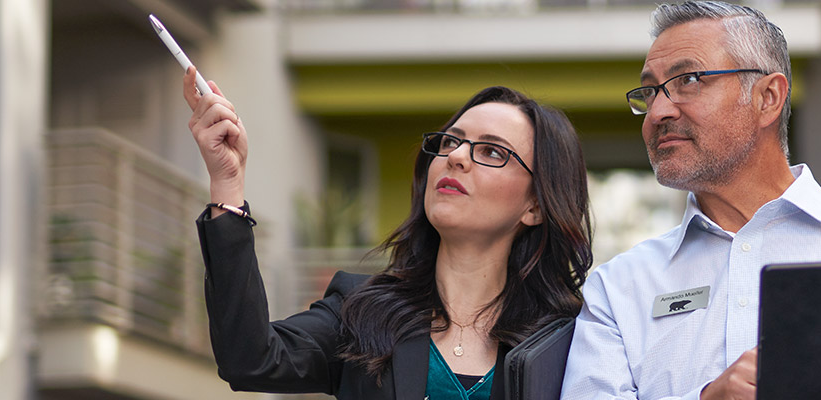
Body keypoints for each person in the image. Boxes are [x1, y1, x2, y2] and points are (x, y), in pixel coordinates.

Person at [560, 2, 821, 399]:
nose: (658, 113)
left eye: (688, 80)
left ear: (767, 98)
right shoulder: (617, 289)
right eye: (650, 92)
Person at [184, 67, 593, 399]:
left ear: (536, 206)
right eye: (451, 141)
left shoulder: (568, 337)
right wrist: (227, 184)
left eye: (491, 151)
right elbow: (250, 359)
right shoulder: (362, 309)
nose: (456, 158)